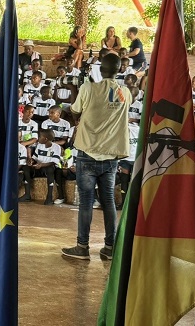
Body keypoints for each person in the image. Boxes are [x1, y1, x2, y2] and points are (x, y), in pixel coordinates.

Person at [62, 54, 130, 262]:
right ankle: (110, 247)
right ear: (119, 70)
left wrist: (74, 93)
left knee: (86, 201)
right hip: (111, 155)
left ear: (102, 69)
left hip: (88, 153)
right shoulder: (124, 92)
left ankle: (82, 246)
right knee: (108, 200)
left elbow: (74, 110)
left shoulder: (89, 88)